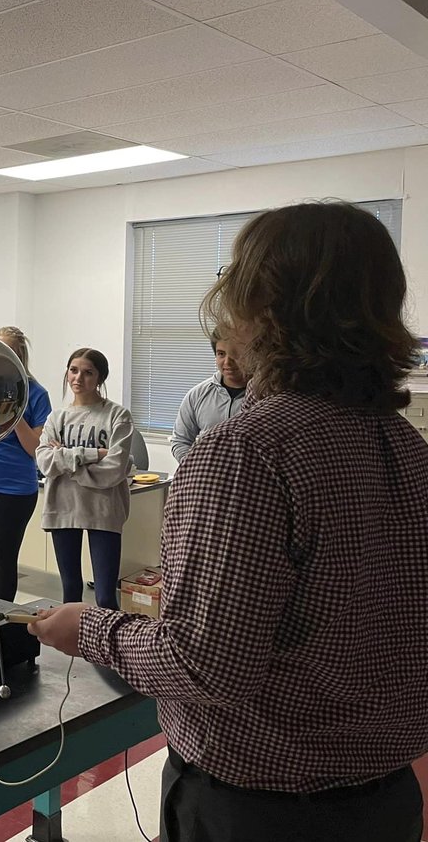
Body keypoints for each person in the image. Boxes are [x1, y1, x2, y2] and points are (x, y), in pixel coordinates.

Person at [30, 202, 428, 842]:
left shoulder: (247, 451)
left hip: (258, 812)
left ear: (266, 314)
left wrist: (95, 630)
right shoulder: (408, 450)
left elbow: (207, 665)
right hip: (387, 802)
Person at [35, 348, 134, 610]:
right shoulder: (57, 417)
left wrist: (67, 461)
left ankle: (105, 649)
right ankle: (75, 646)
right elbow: (44, 461)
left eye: (88, 372)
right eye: (74, 370)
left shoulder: (118, 415)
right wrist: (91, 454)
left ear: (100, 378)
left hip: (103, 510)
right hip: (64, 508)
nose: (79, 378)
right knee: (70, 590)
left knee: (104, 596)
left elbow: (115, 468)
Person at [0, 327, 52, 602]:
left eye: (7, 351)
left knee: (4, 558)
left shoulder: (36, 394)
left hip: (15, 490)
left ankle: (0, 619)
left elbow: (35, 448)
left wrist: (14, 412)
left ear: (19, 355)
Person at [170, 326, 248, 462]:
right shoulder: (197, 394)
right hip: (204, 478)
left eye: (235, 354)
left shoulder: (265, 395)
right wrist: (194, 468)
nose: (227, 362)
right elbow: (180, 441)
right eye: (221, 354)